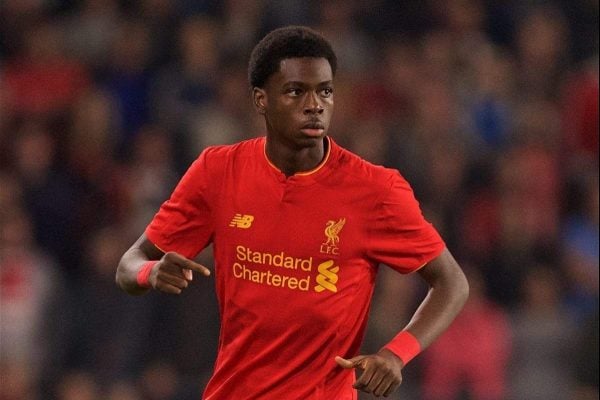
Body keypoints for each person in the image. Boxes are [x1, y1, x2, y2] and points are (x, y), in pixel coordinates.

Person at [116, 25, 469, 399]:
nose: (315, 104)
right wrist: (151, 273)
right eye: (296, 91)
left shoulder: (376, 190)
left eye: (325, 91)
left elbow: (452, 283)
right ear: (260, 100)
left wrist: (397, 355)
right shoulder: (217, 172)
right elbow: (128, 265)